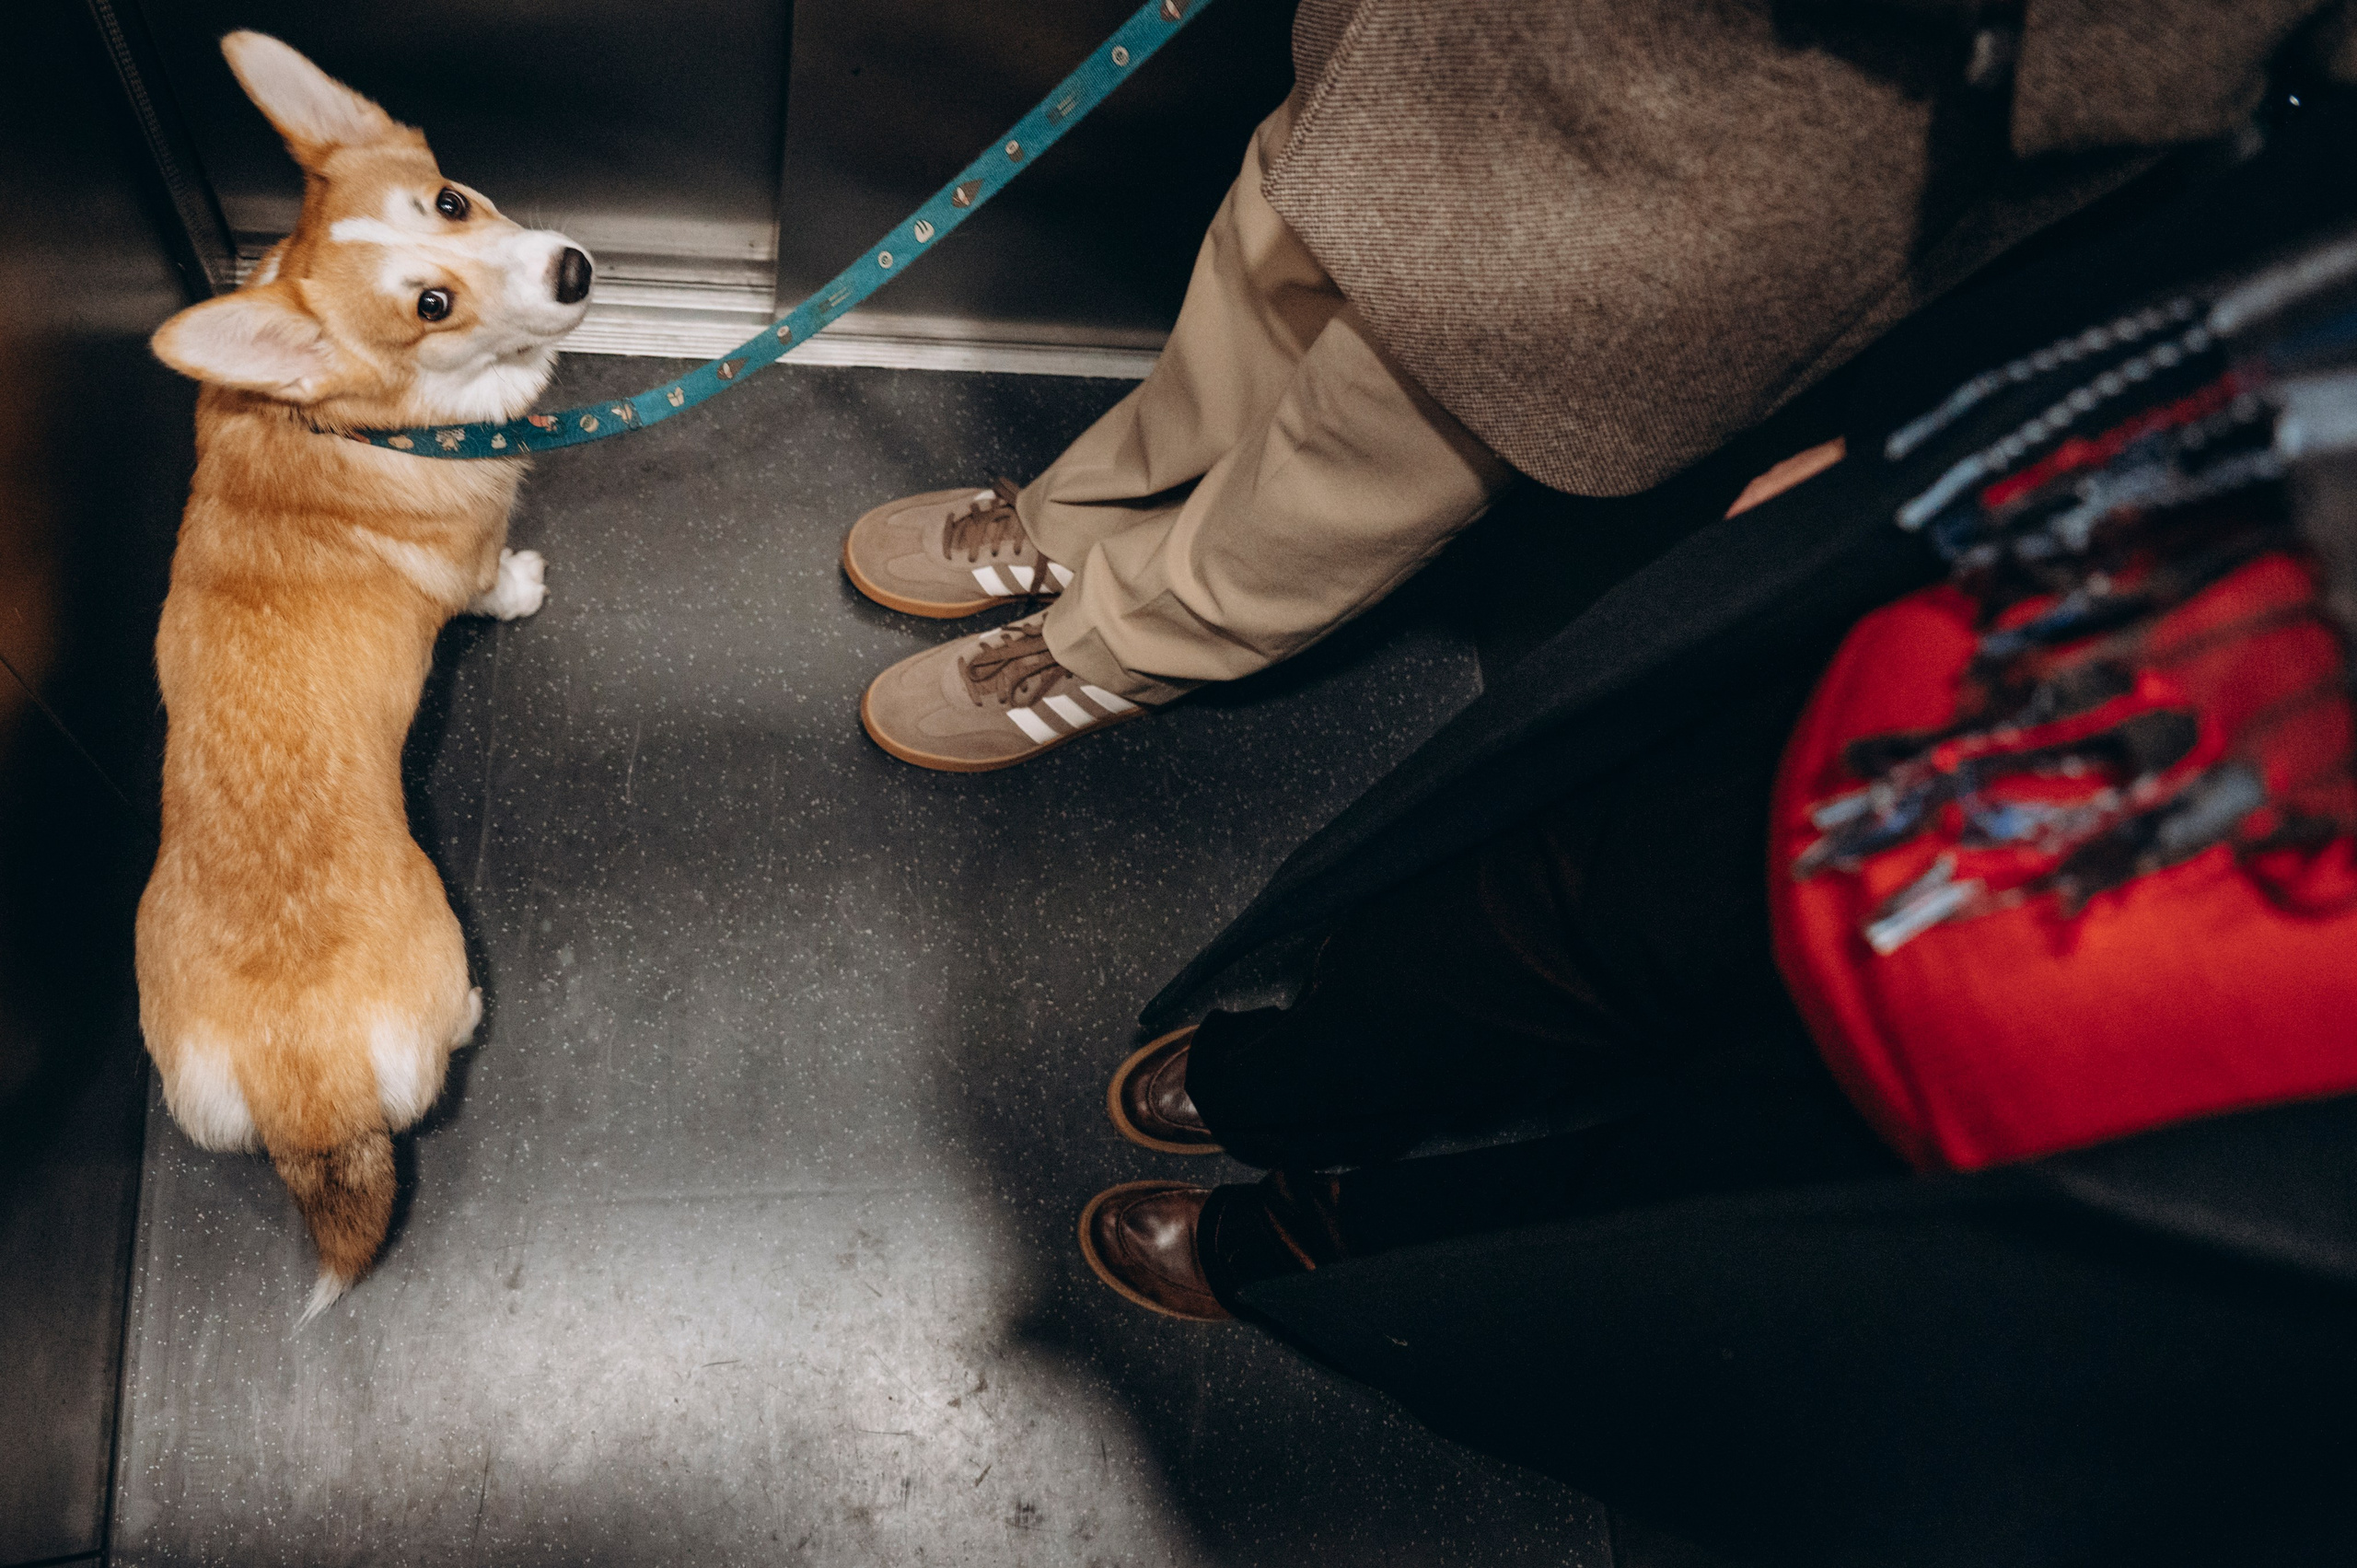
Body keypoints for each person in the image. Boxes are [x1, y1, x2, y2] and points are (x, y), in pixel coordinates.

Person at [1055, 87, 2357, 1568]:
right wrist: (1910, 428)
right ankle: (1305, 1093)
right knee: (1523, 924)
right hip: (1977, 709)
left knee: (1648, 1231)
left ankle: (1314, 1243)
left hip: (2134, 1138)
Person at [841, 0, 2356, 772]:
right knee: (1284, 225)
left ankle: (1136, 633)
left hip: (1809, 91)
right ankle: (1091, 507)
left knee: (1429, 391)